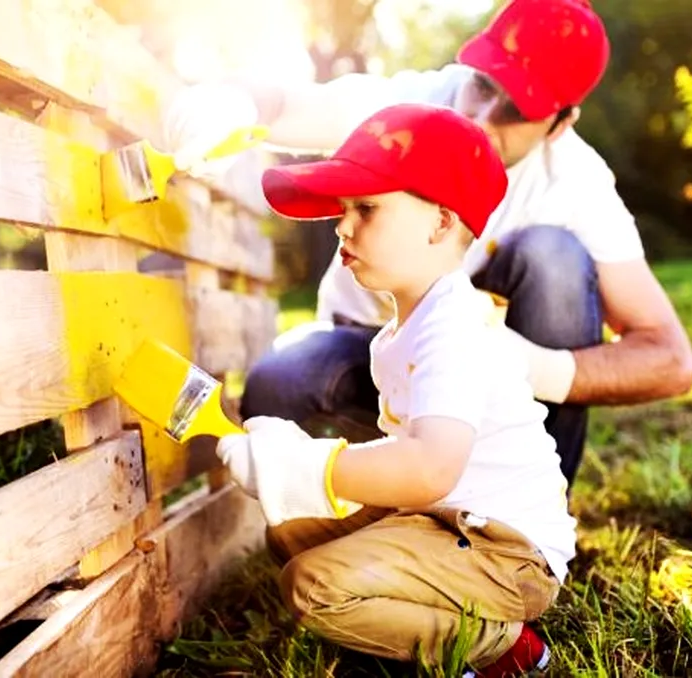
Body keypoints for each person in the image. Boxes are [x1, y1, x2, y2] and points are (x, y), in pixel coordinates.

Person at [162, 0, 692, 490]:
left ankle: (525, 517)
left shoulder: (575, 185)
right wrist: (234, 101)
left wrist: (530, 367)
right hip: (369, 349)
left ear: (560, 123)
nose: (483, 120)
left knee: (553, 257)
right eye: (483, 85)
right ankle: (376, 501)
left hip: (496, 391)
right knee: (280, 384)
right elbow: (286, 104)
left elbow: (669, 358)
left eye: (516, 108)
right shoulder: (411, 108)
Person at [216, 101, 574, 677]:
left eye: (367, 208)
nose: (342, 225)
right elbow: (408, 475)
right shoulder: (399, 334)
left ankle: (502, 648)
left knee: (311, 585)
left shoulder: (452, 327)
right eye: (343, 208)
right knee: (290, 532)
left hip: (506, 552)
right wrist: (288, 463)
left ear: (440, 222)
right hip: (444, 519)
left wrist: (312, 468)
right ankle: (414, 624)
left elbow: (429, 469)